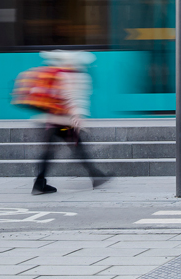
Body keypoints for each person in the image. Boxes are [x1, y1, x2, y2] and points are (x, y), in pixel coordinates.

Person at [13, 51, 110, 195]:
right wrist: (77, 117)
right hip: (64, 121)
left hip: (49, 121)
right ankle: (96, 176)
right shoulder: (69, 76)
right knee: (78, 148)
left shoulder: (54, 73)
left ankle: (40, 184)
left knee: (50, 152)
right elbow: (70, 98)